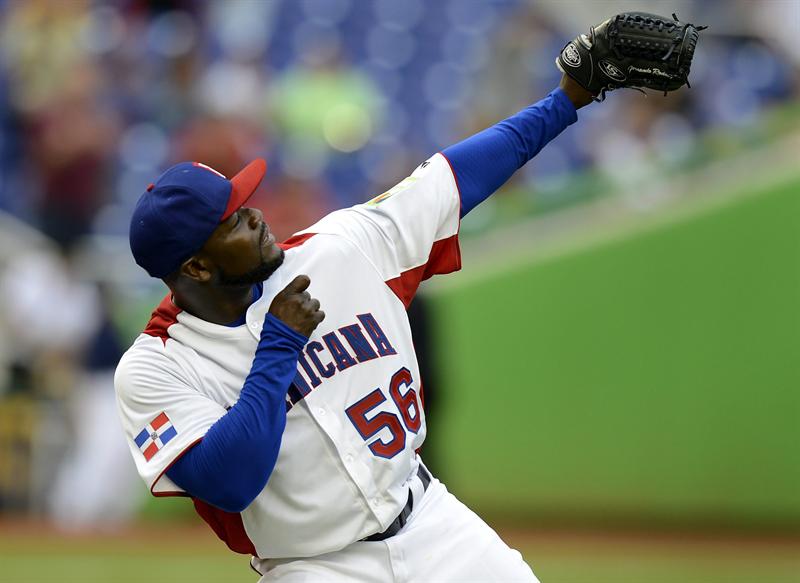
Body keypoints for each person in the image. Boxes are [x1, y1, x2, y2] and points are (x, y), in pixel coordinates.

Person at [115, 63, 591, 579]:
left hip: (432, 522)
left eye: (245, 203)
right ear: (197, 267)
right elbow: (230, 481)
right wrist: (279, 345)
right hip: (312, 566)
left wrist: (566, 101)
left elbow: (452, 179)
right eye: (233, 221)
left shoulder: (338, 249)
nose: (257, 216)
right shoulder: (154, 368)